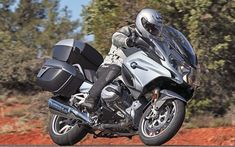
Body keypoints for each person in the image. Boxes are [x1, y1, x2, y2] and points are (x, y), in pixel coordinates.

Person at [81, 8, 164, 111]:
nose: (152, 31)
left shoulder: (150, 46)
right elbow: (116, 37)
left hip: (129, 75)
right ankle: (91, 98)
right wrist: (128, 41)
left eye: (155, 29)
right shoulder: (130, 31)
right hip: (110, 66)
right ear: (142, 22)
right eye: (150, 28)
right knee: (117, 68)